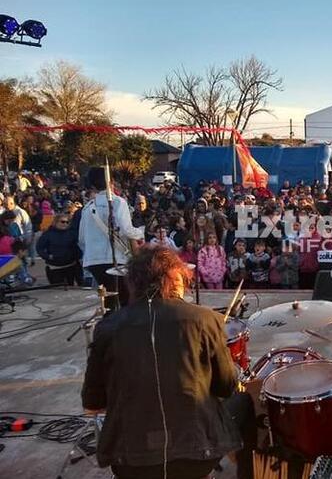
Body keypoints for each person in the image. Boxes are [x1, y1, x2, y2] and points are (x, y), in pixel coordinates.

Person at [81, 246, 240, 479]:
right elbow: (226, 386)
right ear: (175, 278)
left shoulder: (107, 328)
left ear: (134, 283)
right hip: (197, 455)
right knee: (243, 403)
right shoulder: (207, 320)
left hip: (130, 460)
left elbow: (92, 402)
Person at [78, 167, 144, 309]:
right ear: (111, 182)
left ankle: (108, 326)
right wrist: (141, 232)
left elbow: (82, 239)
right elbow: (127, 230)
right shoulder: (118, 202)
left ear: (93, 186)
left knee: (108, 302)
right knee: (126, 300)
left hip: (93, 261)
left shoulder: (87, 208)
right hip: (116, 260)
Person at [36, 213, 83, 286]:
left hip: (70, 266)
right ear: (56, 222)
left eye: (67, 222)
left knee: (70, 287)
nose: (65, 224)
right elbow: (39, 248)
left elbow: (77, 247)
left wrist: (77, 256)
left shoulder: (72, 234)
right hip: (54, 267)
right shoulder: (48, 234)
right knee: (57, 289)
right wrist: (48, 256)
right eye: (62, 222)